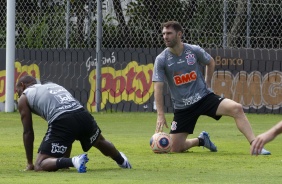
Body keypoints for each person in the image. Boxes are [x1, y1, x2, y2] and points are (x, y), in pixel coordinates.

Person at [152, 20, 270, 155]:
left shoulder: (193, 50)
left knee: (236, 108)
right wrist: (160, 115)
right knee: (175, 148)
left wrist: (207, 84)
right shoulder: (161, 59)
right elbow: (158, 87)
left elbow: (210, 62)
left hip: (204, 98)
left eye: (169, 33)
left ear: (179, 34)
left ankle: (256, 146)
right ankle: (201, 140)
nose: (165, 37)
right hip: (183, 108)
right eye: (163, 34)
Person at [16, 75, 132, 172]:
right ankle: (122, 161)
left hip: (62, 119)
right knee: (100, 141)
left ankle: (74, 161)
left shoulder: (24, 96)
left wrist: (30, 163)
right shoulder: (53, 85)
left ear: (23, 85)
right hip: (82, 114)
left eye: (18, 92)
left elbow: (28, 131)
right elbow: (66, 133)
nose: (18, 96)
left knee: (40, 165)